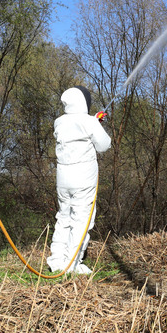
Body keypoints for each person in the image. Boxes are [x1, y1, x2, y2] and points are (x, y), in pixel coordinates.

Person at [46, 86, 111, 275]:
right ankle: (72, 264)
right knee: (82, 220)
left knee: (64, 217)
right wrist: (96, 123)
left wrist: (94, 121)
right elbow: (104, 145)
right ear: (84, 102)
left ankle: (56, 260)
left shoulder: (59, 122)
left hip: (63, 181)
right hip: (83, 180)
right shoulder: (88, 122)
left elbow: (77, 128)